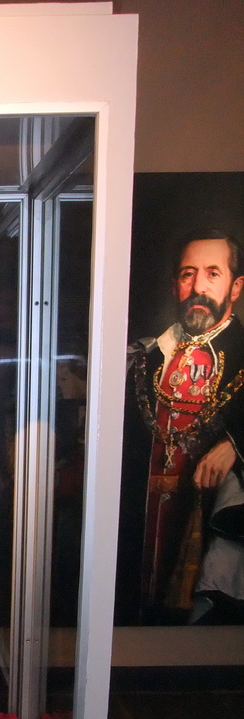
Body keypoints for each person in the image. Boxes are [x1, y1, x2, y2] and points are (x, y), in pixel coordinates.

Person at [123, 231, 244, 624]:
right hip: (142, 520)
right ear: (176, 285)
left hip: (206, 515)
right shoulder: (147, 358)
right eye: (187, 274)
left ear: (236, 286)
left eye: (213, 274)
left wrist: (234, 446)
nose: (198, 287)